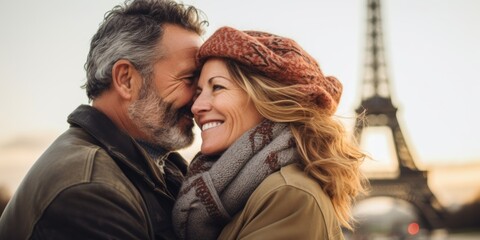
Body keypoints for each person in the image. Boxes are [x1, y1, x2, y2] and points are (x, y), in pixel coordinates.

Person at [0, 0, 207, 239]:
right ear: (126, 79)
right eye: (190, 78)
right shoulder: (89, 191)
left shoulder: (160, 167)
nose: (200, 99)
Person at [172, 26, 369, 239]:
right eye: (198, 92)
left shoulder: (289, 195)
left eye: (218, 87)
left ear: (266, 99)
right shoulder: (239, 193)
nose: (196, 106)